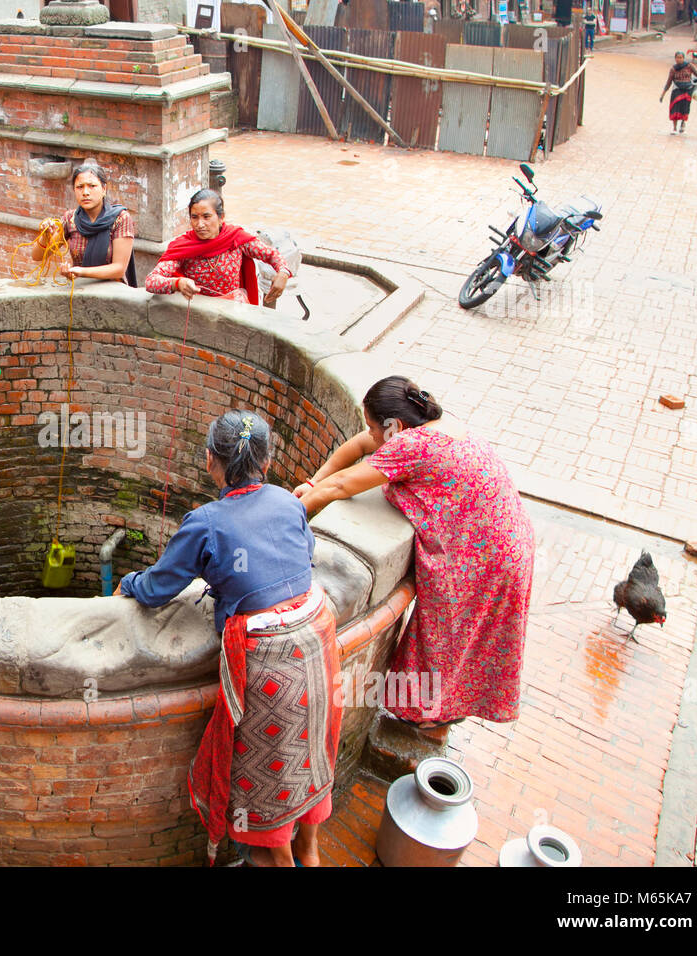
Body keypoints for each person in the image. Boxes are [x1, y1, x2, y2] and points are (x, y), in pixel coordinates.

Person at [116, 411, 339, 867]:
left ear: (210, 461)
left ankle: (273, 854)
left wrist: (126, 584)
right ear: (268, 460)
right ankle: (309, 850)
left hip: (271, 664)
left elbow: (159, 588)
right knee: (312, 752)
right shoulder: (288, 501)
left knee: (271, 784)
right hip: (319, 641)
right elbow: (301, 558)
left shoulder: (206, 522)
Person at [292, 376, 534, 729]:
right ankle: (443, 709)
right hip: (509, 540)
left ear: (396, 426)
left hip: (484, 555)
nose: (372, 437)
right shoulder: (437, 423)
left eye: (376, 429)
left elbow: (344, 485)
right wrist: (314, 482)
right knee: (469, 639)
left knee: (447, 636)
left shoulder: (412, 447)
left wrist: (293, 512)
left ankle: (428, 715)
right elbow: (360, 445)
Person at [144, 189, 292, 307]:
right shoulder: (184, 246)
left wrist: (283, 272)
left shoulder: (236, 238)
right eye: (194, 217)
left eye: (206, 217)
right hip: (199, 314)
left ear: (221, 218)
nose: (200, 224)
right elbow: (151, 281)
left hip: (234, 313)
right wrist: (177, 283)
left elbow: (272, 255)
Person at [31, 161, 137, 286]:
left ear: (104, 189)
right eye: (80, 187)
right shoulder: (70, 219)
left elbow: (118, 269)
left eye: (92, 186)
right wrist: (45, 236)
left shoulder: (120, 218)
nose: (85, 192)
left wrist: (81, 272)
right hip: (81, 290)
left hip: (112, 291)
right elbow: (38, 256)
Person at [660, 52, 697, 135]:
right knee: (674, 109)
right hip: (677, 90)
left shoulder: (689, 66)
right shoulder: (673, 69)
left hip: (688, 90)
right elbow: (668, 82)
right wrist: (663, 94)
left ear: (683, 58)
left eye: (680, 57)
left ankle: (683, 124)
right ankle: (674, 128)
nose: (679, 59)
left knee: (685, 108)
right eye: (677, 58)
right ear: (675, 58)